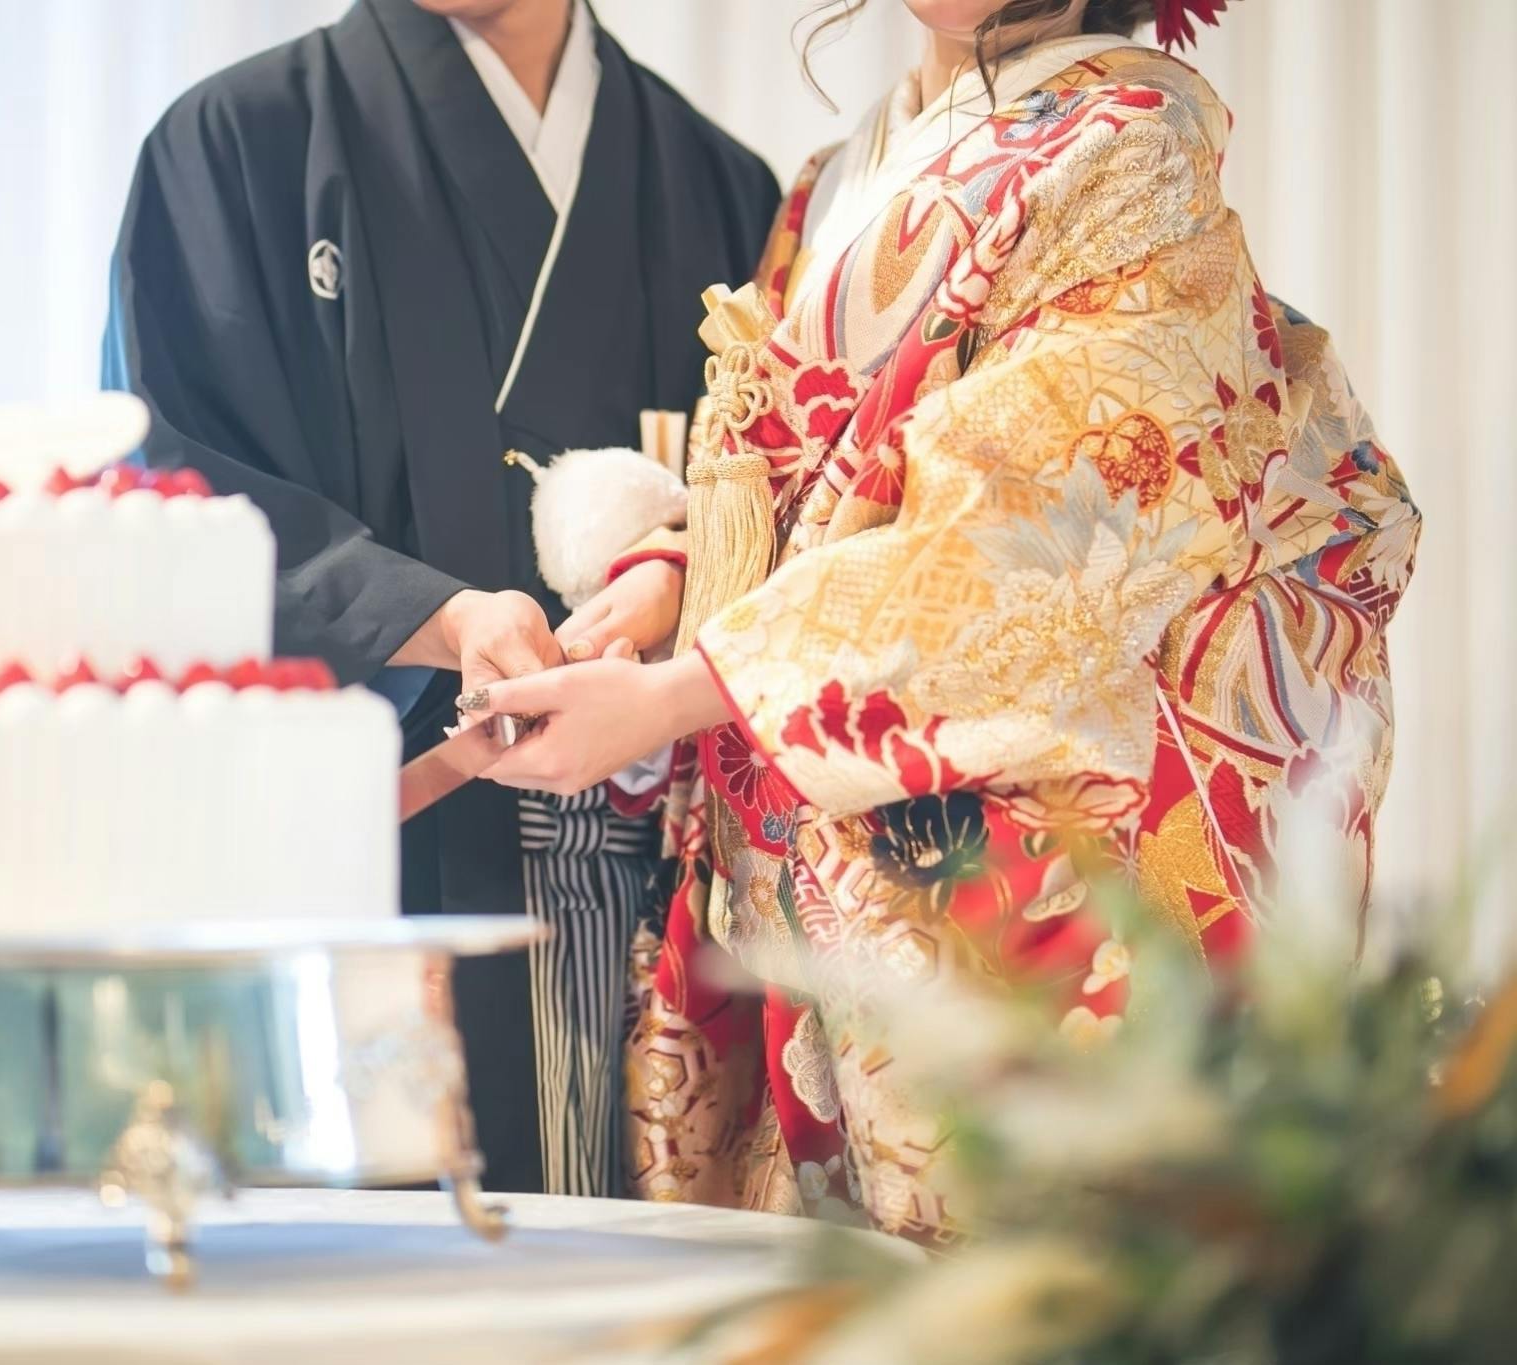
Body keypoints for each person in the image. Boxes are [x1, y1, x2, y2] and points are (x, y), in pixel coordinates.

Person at [472, 0, 1421, 1240]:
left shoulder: (1128, 143)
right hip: (808, 817)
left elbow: (1045, 524)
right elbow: (792, 482)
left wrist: (680, 691)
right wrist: (677, 568)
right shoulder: (830, 177)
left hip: (1007, 836)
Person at [102, 0, 779, 1195]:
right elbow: (169, 481)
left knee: (632, 1255)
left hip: (645, 873)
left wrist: (676, 577)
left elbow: (785, 505)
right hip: (362, 846)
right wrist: (435, 615)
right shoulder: (237, 142)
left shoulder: (716, 184)